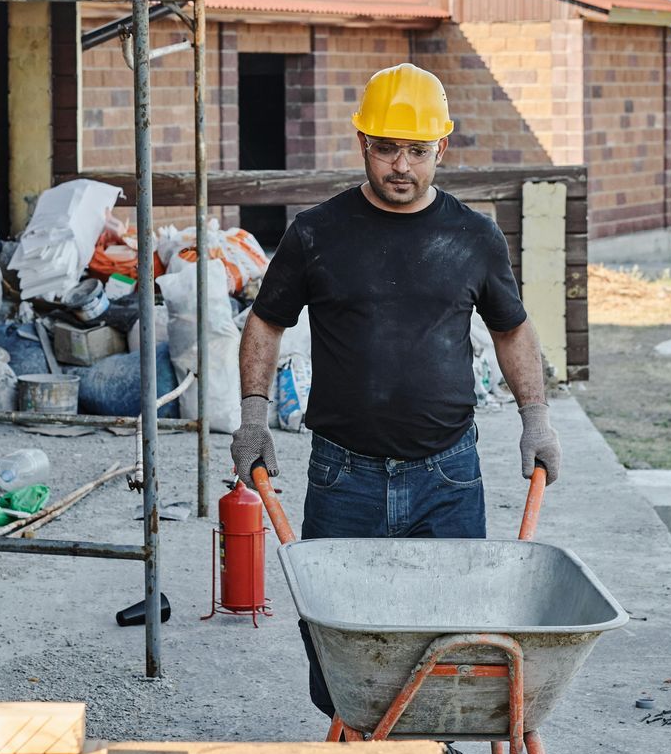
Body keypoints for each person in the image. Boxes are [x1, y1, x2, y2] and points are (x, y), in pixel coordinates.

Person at [230, 64, 562, 716]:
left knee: (455, 645)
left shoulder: (473, 237)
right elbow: (266, 323)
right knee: (339, 657)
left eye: (416, 149)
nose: (401, 166)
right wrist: (252, 416)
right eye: (386, 148)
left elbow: (512, 330)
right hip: (342, 478)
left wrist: (536, 418)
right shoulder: (318, 234)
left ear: (444, 146)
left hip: (448, 479)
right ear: (363, 145)